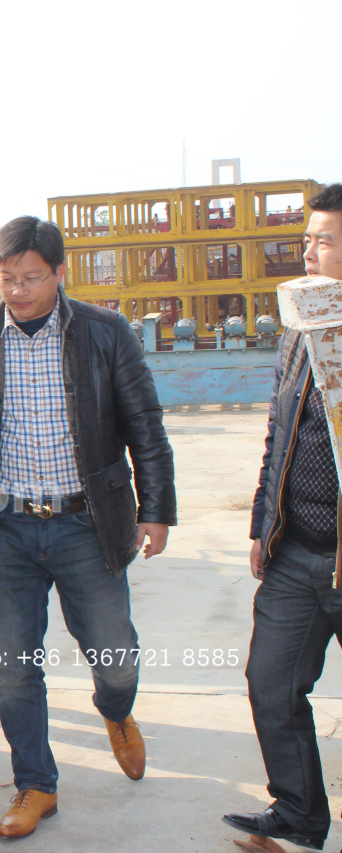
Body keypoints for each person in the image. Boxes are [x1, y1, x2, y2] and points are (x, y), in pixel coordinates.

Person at [0, 215, 175, 839]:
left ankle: (117, 710)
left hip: (86, 524)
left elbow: (145, 427)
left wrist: (155, 509)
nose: (18, 291)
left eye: (31, 278)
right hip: (8, 531)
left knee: (116, 655)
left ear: (57, 272)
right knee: (15, 667)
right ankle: (36, 785)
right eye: (6, 279)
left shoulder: (105, 334)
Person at [222, 183, 342, 852]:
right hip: (299, 549)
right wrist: (263, 528)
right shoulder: (300, 325)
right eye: (308, 240)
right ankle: (298, 813)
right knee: (271, 682)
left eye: (324, 240)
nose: (310, 252)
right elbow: (278, 432)